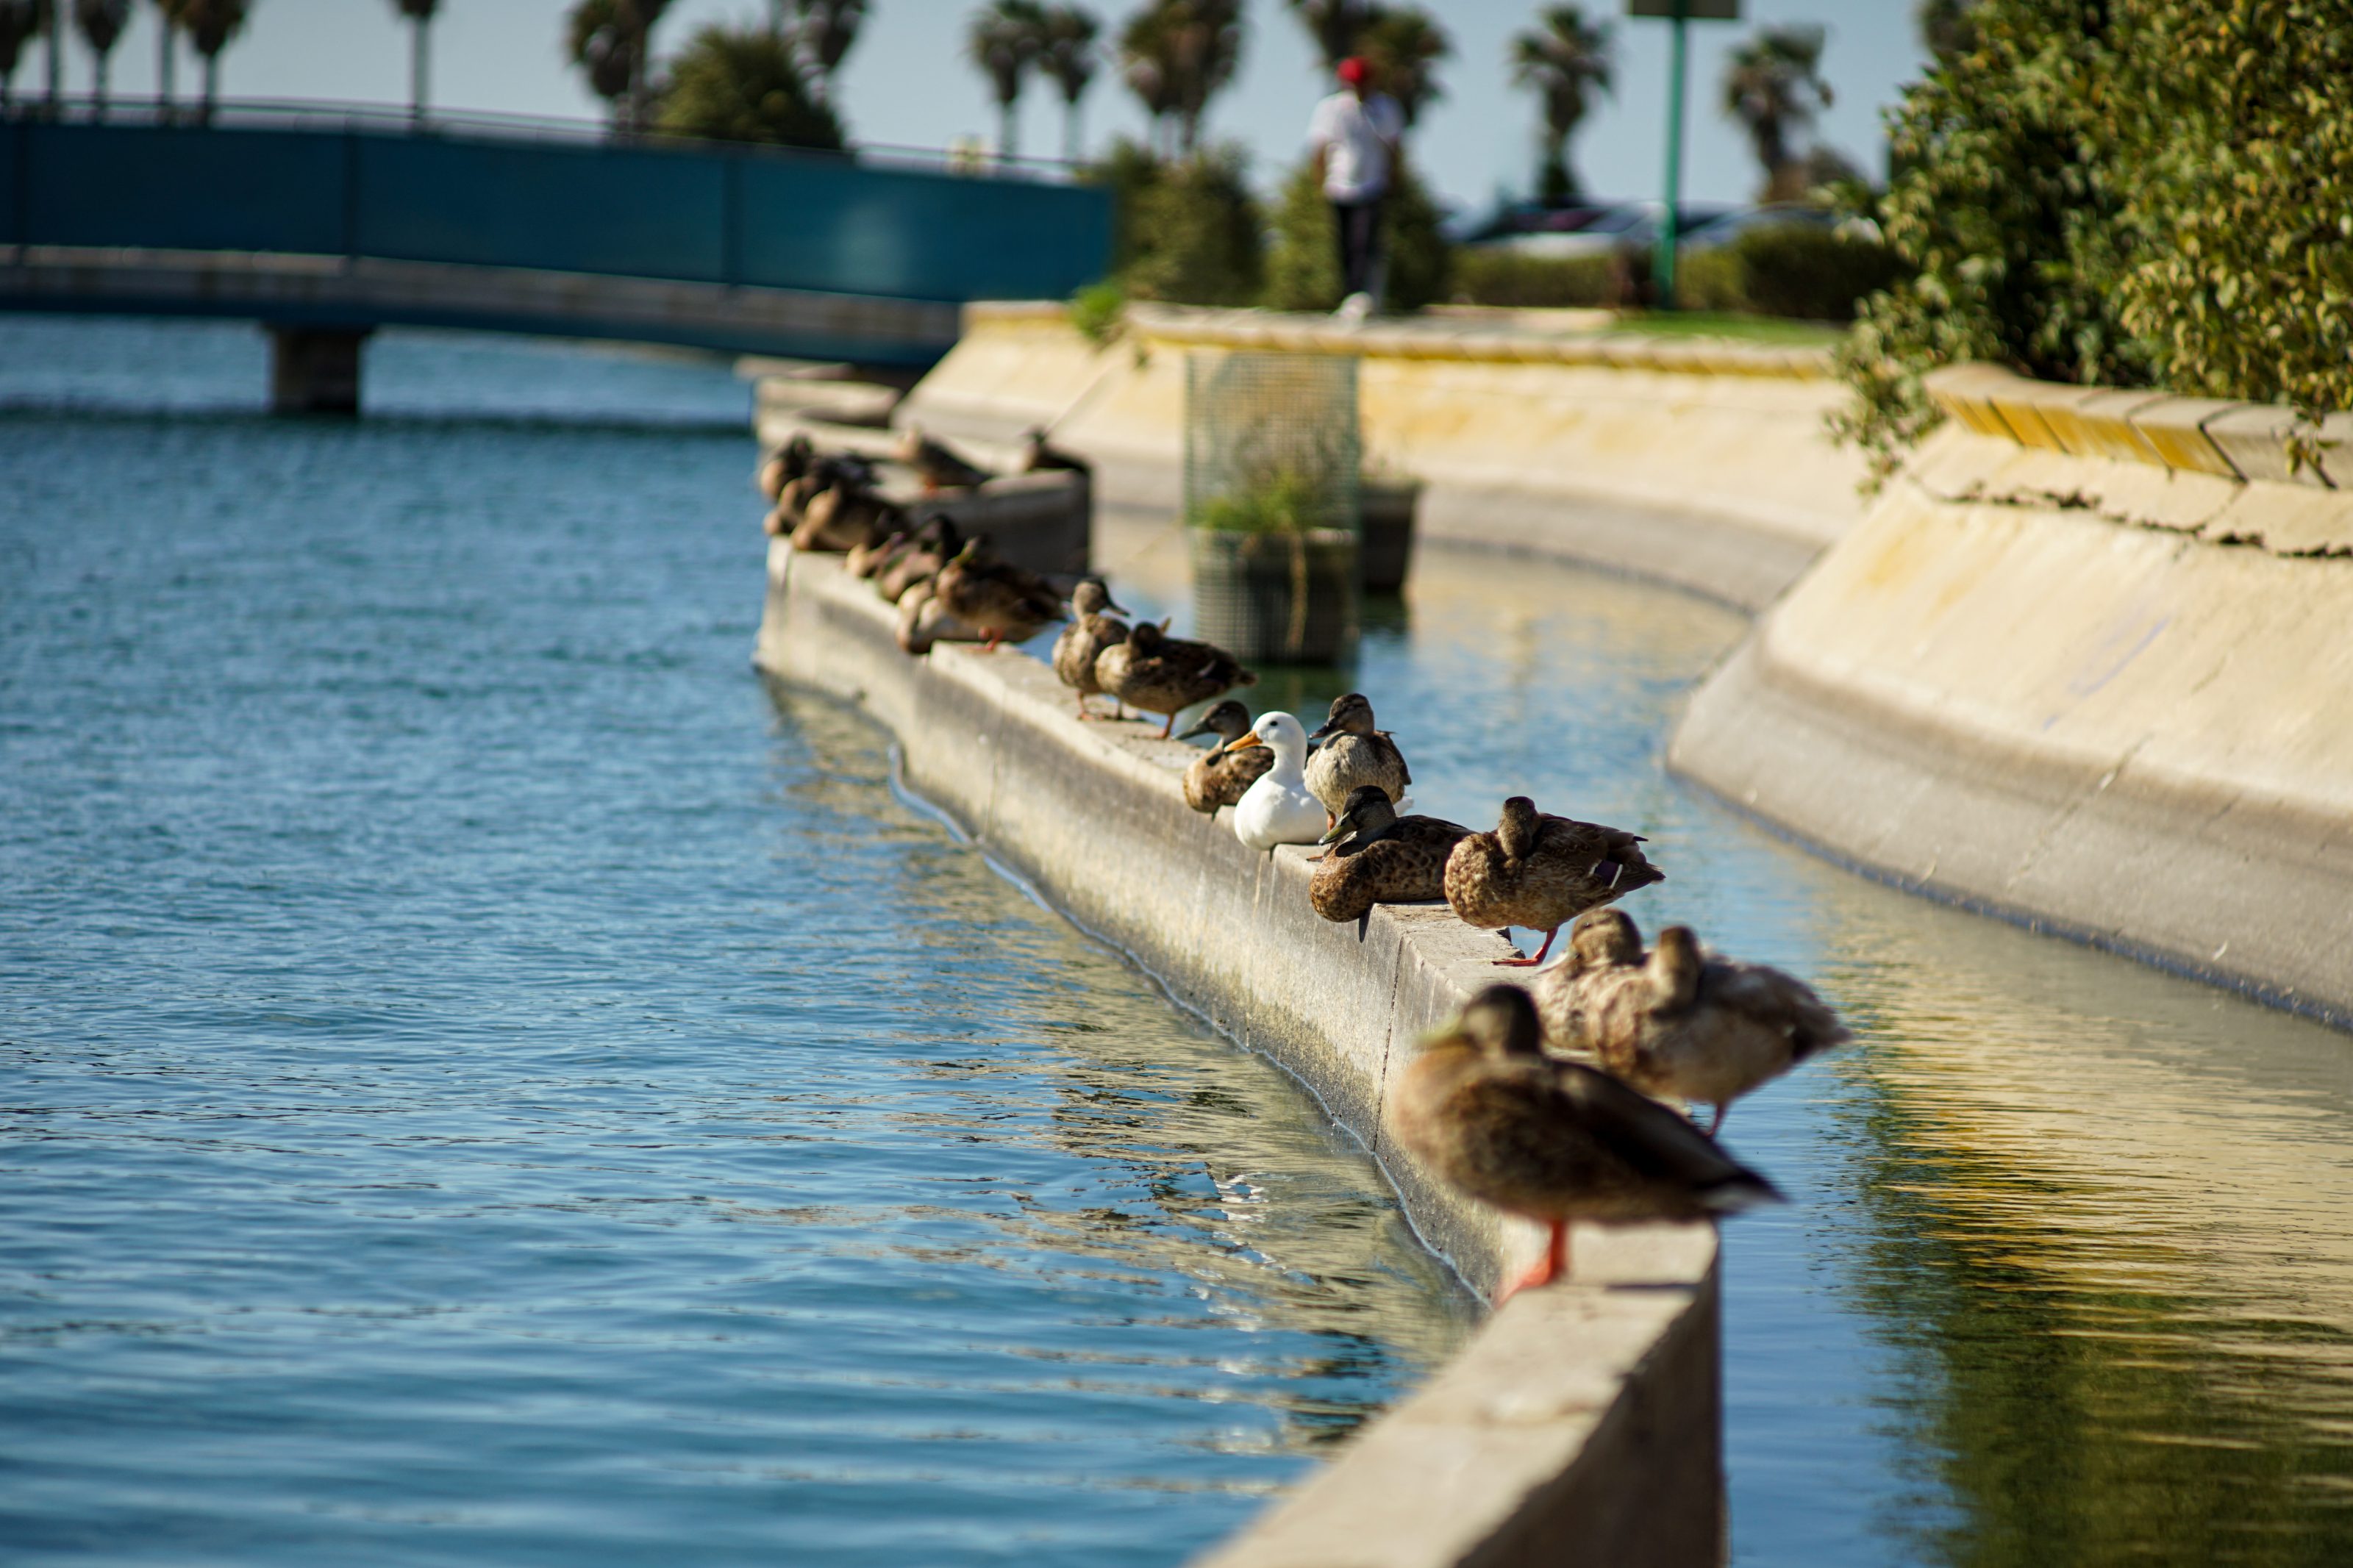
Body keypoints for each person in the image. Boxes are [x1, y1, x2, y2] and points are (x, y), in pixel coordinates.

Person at [1306, 57, 1404, 323]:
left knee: (1365, 242)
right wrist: (1319, 181)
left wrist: (1394, 178)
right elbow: (1320, 148)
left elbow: (1394, 147)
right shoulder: (1331, 108)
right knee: (1345, 244)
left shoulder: (1385, 108)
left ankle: (1364, 295)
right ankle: (1349, 296)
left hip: (1372, 185)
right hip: (1339, 185)